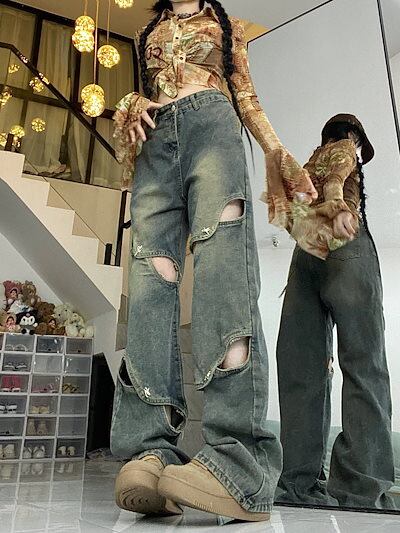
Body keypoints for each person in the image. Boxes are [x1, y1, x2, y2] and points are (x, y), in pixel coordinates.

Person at [111, 0, 316, 522]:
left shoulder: (228, 25)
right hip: (156, 141)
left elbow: (245, 93)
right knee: (150, 278)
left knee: (222, 269)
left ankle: (238, 461)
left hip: (213, 128)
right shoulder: (148, 29)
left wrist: (275, 150)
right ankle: (149, 451)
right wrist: (133, 102)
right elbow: (148, 85)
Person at [276, 114, 395, 509]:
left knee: (300, 367)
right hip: (346, 242)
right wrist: (339, 205)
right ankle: (361, 489)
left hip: (307, 250)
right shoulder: (345, 148)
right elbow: (340, 172)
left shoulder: (311, 159)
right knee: (364, 364)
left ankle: (298, 484)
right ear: (354, 136)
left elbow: (295, 199)